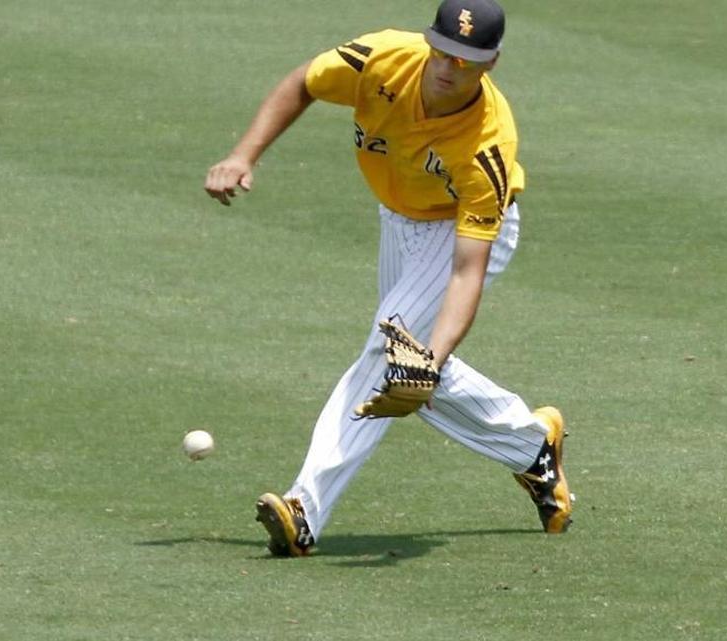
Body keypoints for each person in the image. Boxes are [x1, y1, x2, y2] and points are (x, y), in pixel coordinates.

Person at [204, 0, 573, 557]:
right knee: (407, 368)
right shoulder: (383, 57)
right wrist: (244, 154)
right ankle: (531, 447)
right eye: (443, 51)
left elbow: (468, 270)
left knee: (391, 348)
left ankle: (305, 507)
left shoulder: (487, 145)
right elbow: (303, 82)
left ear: (491, 64)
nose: (449, 67)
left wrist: (436, 351)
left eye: (466, 60)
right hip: (399, 221)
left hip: (461, 234)